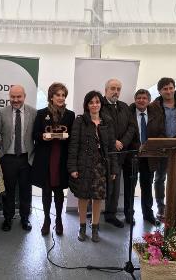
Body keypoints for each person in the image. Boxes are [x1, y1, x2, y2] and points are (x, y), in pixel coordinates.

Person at [68, 90, 118, 242]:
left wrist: (114, 168)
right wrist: (73, 168)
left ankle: (95, 227)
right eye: (91, 102)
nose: (94, 105)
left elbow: (111, 148)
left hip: (102, 167)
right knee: (83, 197)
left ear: (101, 104)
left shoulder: (107, 122)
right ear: (87, 105)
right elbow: (73, 146)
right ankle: (82, 227)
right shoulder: (80, 121)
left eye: (97, 102)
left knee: (98, 198)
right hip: (83, 165)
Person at [31, 82, 75, 236]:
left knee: (58, 191)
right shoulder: (41, 113)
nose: (61, 98)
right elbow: (35, 135)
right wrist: (43, 136)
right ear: (51, 96)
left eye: (63, 95)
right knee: (46, 190)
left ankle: (58, 220)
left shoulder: (70, 115)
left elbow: (72, 139)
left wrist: (67, 137)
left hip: (61, 158)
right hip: (45, 158)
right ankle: (46, 220)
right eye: (58, 95)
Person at [0, 85, 36, 231]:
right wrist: (0, 153)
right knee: (9, 190)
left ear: (24, 96)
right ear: (9, 97)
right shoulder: (1, 112)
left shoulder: (33, 112)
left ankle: (25, 218)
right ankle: (7, 218)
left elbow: (35, 136)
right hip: (8, 158)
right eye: (12, 97)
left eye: (19, 97)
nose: (15, 100)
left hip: (26, 158)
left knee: (26, 190)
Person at [151, 77, 176, 218]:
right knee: (160, 178)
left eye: (170, 87)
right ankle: (161, 208)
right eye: (165, 89)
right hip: (162, 147)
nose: (168, 91)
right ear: (160, 91)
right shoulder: (154, 106)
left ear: (174, 88)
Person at [101, 79, 136, 227]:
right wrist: (113, 141)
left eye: (118, 89)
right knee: (104, 185)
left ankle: (111, 214)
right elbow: (99, 126)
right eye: (113, 88)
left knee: (116, 187)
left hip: (122, 152)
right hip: (105, 152)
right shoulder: (99, 106)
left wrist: (123, 142)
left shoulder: (124, 107)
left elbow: (132, 126)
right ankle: (100, 215)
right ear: (106, 90)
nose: (116, 91)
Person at [128, 89, 164, 225]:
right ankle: (129, 215)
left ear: (148, 101)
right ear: (135, 99)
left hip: (150, 157)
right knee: (130, 187)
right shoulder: (128, 113)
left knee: (147, 187)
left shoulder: (156, 115)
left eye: (144, 98)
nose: (141, 100)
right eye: (138, 98)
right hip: (132, 155)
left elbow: (162, 133)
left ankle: (148, 215)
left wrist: (151, 145)